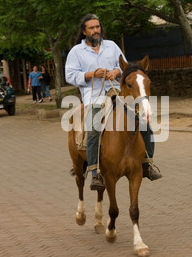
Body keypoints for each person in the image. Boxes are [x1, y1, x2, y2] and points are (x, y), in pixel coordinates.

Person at [65, 14, 162, 191]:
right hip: (93, 96)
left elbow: (125, 67)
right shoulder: (76, 52)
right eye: (91, 28)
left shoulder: (111, 46)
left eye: (97, 27)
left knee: (144, 119)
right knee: (94, 128)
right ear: (84, 31)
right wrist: (91, 74)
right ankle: (95, 172)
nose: (96, 30)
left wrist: (116, 72)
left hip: (117, 92)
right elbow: (70, 76)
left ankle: (147, 164)